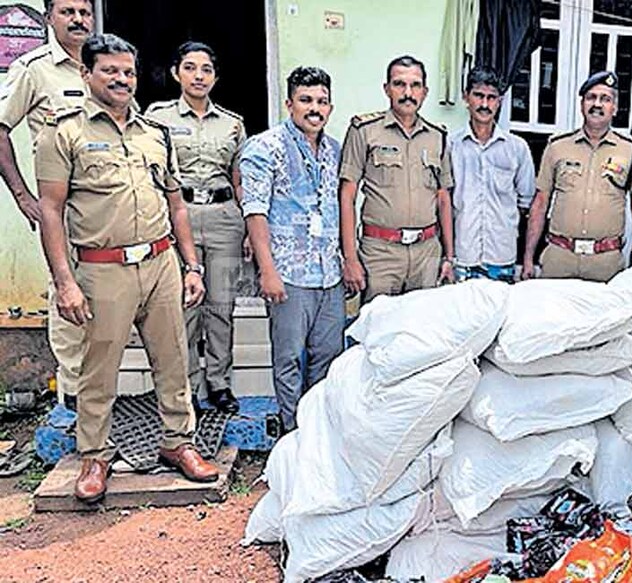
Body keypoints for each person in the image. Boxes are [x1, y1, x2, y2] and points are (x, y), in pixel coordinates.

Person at [35, 34, 218, 503]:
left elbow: (176, 204)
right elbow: (50, 211)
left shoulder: (154, 133)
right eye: (110, 71)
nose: (121, 80)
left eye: (128, 72)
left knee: (174, 359)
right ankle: (95, 455)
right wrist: (65, 283)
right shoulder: (65, 133)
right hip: (102, 269)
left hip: (160, 263)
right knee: (99, 368)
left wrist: (191, 265)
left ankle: (178, 442)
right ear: (86, 74)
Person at [240, 66, 344, 433]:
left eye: (321, 101)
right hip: (288, 273)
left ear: (330, 107)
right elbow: (254, 211)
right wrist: (268, 271)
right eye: (305, 100)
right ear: (289, 103)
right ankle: (292, 432)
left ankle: (316, 430)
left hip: (329, 273)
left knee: (328, 357)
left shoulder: (335, 150)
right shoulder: (264, 147)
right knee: (288, 359)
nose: (314, 108)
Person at [0, 0, 94, 403]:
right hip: (65, 208)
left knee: (109, 297)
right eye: (67, 11)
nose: (77, 20)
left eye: (85, 12)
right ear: (49, 16)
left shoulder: (103, 65)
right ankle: (73, 398)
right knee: (69, 295)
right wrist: (22, 195)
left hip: (112, 210)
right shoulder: (34, 69)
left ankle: (98, 394)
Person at [146, 41, 246, 414]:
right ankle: (186, 387)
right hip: (179, 214)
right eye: (190, 67)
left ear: (215, 77)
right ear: (176, 73)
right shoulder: (158, 117)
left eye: (206, 69)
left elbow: (239, 177)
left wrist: (248, 227)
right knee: (184, 308)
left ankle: (219, 383)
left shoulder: (233, 123)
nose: (198, 76)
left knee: (220, 306)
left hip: (223, 217)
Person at [339, 55, 455, 302]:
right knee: (376, 330)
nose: (407, 92)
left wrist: (449, 257)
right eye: (399, 84)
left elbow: (443, 199)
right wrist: (350, 258)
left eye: (415, 85)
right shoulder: (365, 131)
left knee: (422, 331)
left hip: (426, 252)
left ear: (424, 92)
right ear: (386, 89)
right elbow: (346, 196)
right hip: (380, 253)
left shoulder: (437, 137)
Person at [522, 71, 632, 281]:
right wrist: (528, 257)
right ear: (582, 104)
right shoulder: (557, 147)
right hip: (559, 258)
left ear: (615, 108)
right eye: (591, 97)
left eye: (605, 99)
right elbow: (540, 203)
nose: (597, 104)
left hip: (606, 263)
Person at [446, 65, 534, 282]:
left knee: (499, 314)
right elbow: (444, 200)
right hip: (463, 256)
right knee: (462, 315)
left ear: (500, 100)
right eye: (478, 96)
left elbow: (525, 202)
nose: (485, 104)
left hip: (502, 256)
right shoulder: (450, 145)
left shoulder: (517, 148)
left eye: (491, 97)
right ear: (466, 97)